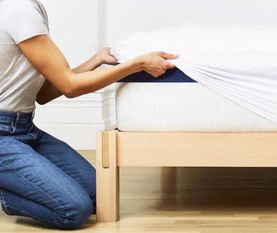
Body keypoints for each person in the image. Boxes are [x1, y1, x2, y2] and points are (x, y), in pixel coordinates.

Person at [0, 0, 177, 229]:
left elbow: (44, 93)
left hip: (23, 129)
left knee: (99, 195)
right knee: (73, 210)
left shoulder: (30, 8)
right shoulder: (19, 10)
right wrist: (137, 64)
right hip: (3, 134)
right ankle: (7, 193)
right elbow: (70, 86)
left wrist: (97, 60)